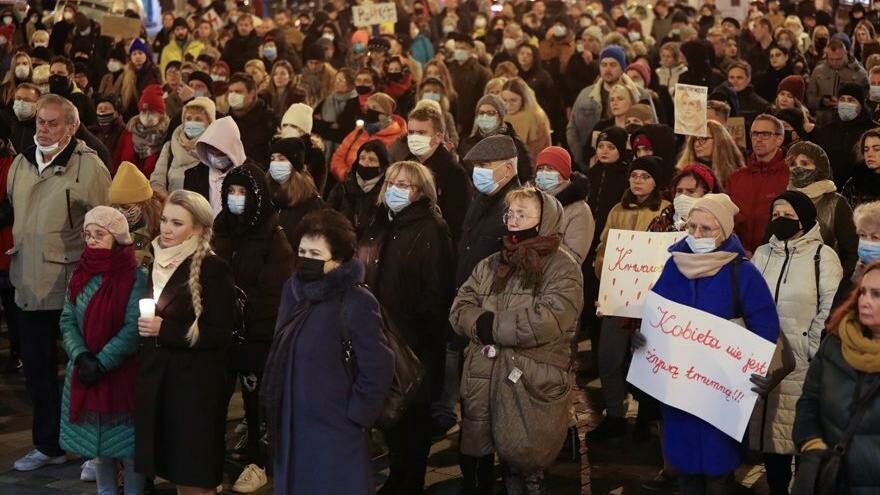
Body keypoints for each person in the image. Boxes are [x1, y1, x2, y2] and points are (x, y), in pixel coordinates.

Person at [450, 186, 584, 494]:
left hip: (528, 378)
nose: (512, 220)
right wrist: (479, 323)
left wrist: (490, 325)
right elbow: (460, 308)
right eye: (510, 213)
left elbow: (548, 319)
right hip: (482, 374)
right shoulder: (491, 263)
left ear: (545, 220)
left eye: (522, 214)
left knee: (524, 462)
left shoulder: (562, 267)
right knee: (477, 459)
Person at [647, 193, 780, 495]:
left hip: (720, 391)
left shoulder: (742, 272)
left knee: (719, 478)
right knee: (686, 477)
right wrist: (645, 339)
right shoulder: (674, 265)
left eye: (706, 229)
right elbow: (656, 314)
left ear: (724, 231)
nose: (696, 235)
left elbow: (765, 326)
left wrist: (748, 365)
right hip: (680, 389)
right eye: (691, 226)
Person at [10, 95, 111, 473]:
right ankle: (48, 444)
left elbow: (106, 225)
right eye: (40, 122)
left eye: (53, 123)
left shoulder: (90, 168)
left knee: (80, 373)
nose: (44, 129)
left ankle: (91, 451)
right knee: (37, 373)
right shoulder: (21, 163)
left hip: (72, 289)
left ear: (71, 127)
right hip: (29, 284)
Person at [262, 208, 394, 495]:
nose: (306, 259)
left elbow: (379, 366)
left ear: (338, 259)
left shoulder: (356, 301)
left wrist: (356, 416)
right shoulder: (292, 291)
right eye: (303, 251)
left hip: (335, 430)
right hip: (292, 423)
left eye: (315, 253)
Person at [358, 161, 454, 495]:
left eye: (406, 185)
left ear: (420, 192)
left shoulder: (431, 229)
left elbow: (436, 292)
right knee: (390, 418)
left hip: (414, 342)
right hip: (378, 335)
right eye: (392, 183)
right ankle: (397, 478)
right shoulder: (378, 222)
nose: (396, 190)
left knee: (413, 420)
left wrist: (418, 340)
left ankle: (409, 482)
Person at [134, 190, 236, 493]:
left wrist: (164, 329)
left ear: (198, 228)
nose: (166, 228)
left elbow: (219, 332)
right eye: (164, 220)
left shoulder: (214, 268)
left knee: (195, 475)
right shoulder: (157, 261)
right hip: (163, 381)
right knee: (177, 472)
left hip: (195, 388)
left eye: (177, 223)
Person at [749, 191, 843, 495]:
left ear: (804, 219)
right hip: (767, 359)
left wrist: (812, 349)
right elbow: (748, 299)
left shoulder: (822, 256)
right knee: (770, 434)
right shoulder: (762, 253)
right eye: (776, 214)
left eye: (788, 215)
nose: (781, 220)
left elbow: (830, 307)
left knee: (802, 437)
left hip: (804, 362)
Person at [212, 163, 293, 493]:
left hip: (256, 333)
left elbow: (275, 288)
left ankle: (257, 462)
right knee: (214, 400)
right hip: (222, 331)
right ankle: (211, 463)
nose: (235, 198)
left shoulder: (273, 236)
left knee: (254, 404)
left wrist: (244, 308)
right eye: (230, 192)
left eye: (242, 192)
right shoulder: (221, 228)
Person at [59, 206, 147, 495]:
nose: (92, 240)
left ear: (117, 238)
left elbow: (133, 326)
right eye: (87, 234)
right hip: (85, 371)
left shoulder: (134, 276)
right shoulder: (79, 274)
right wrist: (81, 356)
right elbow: (68, 318)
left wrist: (102, 361)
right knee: (99, 448)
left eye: (99, 234)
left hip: (119, 374)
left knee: (128, 448)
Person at [589, 156, 670, 440]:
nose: (638, 181)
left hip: (650, 304)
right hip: (618, 298)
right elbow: (603, 248)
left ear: (656, 182)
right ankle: (615, 414)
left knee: (647, 360)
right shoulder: (617, 210)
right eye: (634, 175)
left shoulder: (665, 211)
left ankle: (647, 419)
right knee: (608, 357)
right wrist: (607, 275)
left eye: (645, 176)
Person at [793, 260, 880, 494]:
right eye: (862, 292)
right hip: (833, 480)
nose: (865, 301)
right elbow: (809, 401)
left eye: (877, 294)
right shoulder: (835, 343)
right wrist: (811, 444)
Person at [785, 142, 859, 277]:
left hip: (827, 281)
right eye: (793, 164)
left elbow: (851, 252)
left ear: (819, 168)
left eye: (805, 164)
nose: (797, 169)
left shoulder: (836, 202)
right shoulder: (783, 201)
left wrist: (840, 283)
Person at [402, 104, 472, 244]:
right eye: (411, 132)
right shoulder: (405, 164)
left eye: (421, 133)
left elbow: (456, 223)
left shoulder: (454, 174)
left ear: (438, 137)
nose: (414, 138)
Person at [568, 45, 645, 170]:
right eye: (604, 65)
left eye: (613, 65)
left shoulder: (640, 94)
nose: (607, 69)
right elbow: (572, 129)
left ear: (622, 67)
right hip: (592, 166)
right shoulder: (586, 95)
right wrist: (583, 161)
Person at [727, 114, 790, 255]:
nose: (758, 139)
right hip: (740, 257)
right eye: (755, 134)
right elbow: (727, 219)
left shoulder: (790, 178)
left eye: (765, 134)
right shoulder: (736, 178)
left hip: (777, 256)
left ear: (779, 139)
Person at [533, 146, 595, 264]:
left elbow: (575, 258)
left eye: (550, 168)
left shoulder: (580, 210)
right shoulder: (529, 202)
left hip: (557, 277)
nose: (544, 173)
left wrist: (539, 242)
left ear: (564, 172)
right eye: (540, 168)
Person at [330, 92, 407, 183]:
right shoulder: (359, 132)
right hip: (348, 184)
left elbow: (394, 169)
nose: (369, 111)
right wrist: (346, 175)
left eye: (374, 108)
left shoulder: (396, 138)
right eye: (367, 107)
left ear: (387, 113)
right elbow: (338, 156)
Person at [458, 94, 532, 183]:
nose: (485, 116)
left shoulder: (514, 144)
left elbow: (527, 175)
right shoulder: (467, 144)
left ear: (500, 117)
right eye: (481, 113)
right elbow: (463, 176)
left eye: (491, 113)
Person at [184, 116, 248, 217]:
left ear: (232, 149)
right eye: (211, 151)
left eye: (220, 152)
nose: (215, 156)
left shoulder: (250, 176)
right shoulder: (193, 176)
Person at [814, 83, 875, 187]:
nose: (846, 104)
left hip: (863, 187)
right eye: (842, 99)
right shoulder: (828, 130)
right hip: (831, 187)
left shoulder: (871, 130)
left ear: (861, 104)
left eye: (851, 100)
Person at [151, 97, 216, 194]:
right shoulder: (169, 147)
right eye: (188, 118)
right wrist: (162, 197)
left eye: (198, 119)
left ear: (209, 123)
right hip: (171, 204)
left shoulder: (215, 149)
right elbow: (158, 177)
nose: (192, 122)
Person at [270, 137, 326, 249]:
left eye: (281, 159)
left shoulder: (311, 202)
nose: (275, 163)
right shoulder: (266, 192)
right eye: (272, 159)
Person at [326, 139, 388, 237]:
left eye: (372, 160)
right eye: (362, 158)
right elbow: (327, 215)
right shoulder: (343, 187)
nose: (365, 163)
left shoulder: (386, 193)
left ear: (381, 166)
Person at [111, 162, 166, 268]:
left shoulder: (161, 226)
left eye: (125, 207)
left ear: (142, 204)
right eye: (116, 206)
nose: (120, 211)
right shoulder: (109, 226)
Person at [806, 37, 868, 127]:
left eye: (838, 59)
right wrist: (822, 101)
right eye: (831, 59)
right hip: (823, 121)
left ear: (846, 53)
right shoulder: (818, 71)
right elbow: (810, 97)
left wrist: (844, 103)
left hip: (850, 122)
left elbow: (865, 100)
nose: (835, 62)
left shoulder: (859, 73)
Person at [649, 164, 723, 233]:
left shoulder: (718, 228)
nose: (683, 196)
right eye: (679, 191)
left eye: (691, 191)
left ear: (708, 195)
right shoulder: (659, 223)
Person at [227, 72, 279, 169]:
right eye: (230, 92)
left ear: (253, 93)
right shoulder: (226, 121)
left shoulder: (269, 120)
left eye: (238, 92)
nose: (233, 96)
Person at [115, 84, 169, 177]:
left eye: (152, 111)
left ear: (161, 114)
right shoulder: (129, 132)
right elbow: (117, 161)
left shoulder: (166, 135)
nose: (147, 115)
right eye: (144, 111)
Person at [448, 32, 492, 135]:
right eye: (457, 48)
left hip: (470, 121)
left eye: (463, 48)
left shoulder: (482, 73)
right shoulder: (449, 69)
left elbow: (482, 99)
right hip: (451, 119)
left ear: (472, 50)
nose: (459, 51)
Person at [313, 68, 359, 163]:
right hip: (323, 146)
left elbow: (345, 130)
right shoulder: (328, 100)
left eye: (340, 80)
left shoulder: (354, 102)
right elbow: (314, 123)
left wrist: (324, 125)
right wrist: (332, 125)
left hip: (344, 149)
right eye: (336, 79)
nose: (336, 83)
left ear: (350, 84)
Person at [117, 38, 161, 120]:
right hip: (130, 116)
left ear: (146, 55)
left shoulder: (154, 72)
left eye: (140, 53)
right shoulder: (126, 74)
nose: (137, 56)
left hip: (148, 114)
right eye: (134, 54)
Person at [843, 129, 880, 208]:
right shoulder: (855, 183)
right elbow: (843, 215)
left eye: (876, 149)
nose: (869, 154)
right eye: (866, 150)